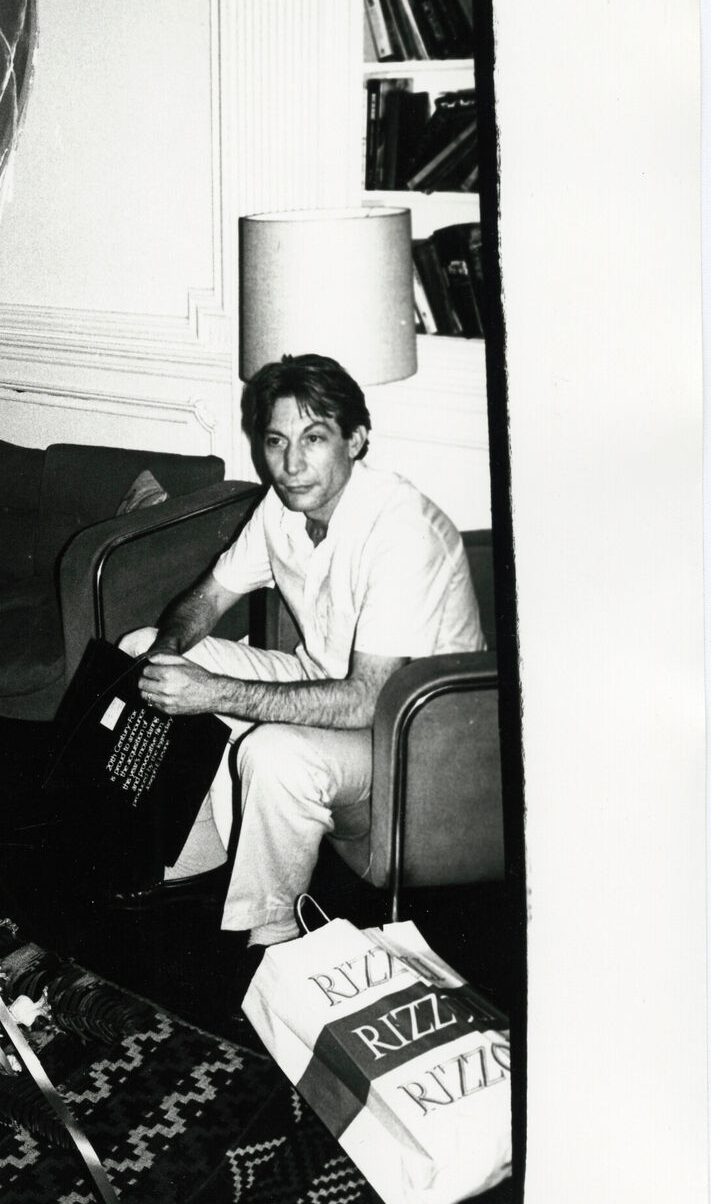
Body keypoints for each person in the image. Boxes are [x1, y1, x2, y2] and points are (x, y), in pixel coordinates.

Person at [118, 352, 484, 954]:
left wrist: (214, 693)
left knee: (275, 754)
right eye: (276, 441)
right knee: (141, 651)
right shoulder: (283, 506)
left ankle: (275, 936)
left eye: (313, 439)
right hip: (327, 683)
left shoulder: (400, 528)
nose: (290, 464)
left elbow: (368, 699)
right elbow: (208, 598)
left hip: (415, 736)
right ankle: (200, 858)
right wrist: (165, 653)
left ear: (357, 439)